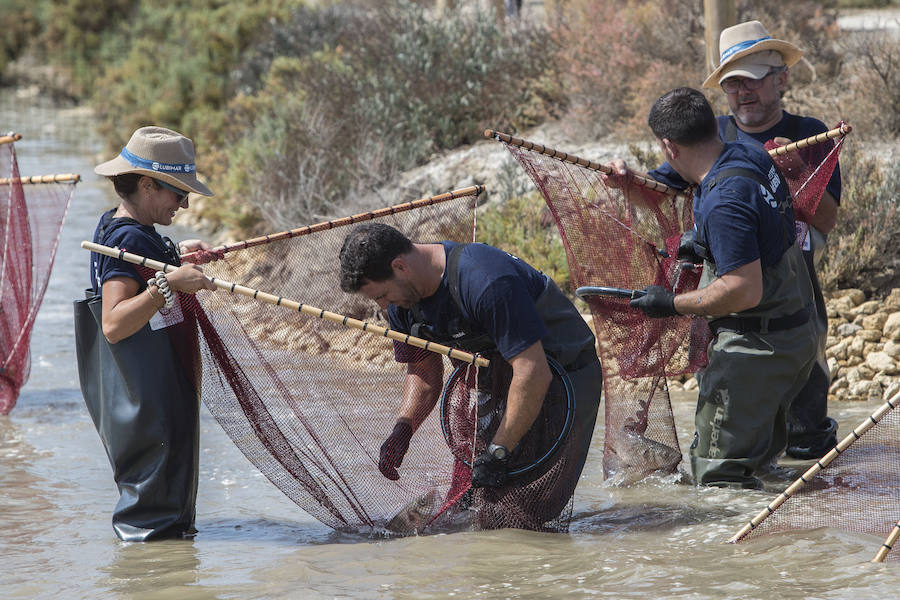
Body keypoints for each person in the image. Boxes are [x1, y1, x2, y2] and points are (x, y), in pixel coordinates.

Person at [648, 20, 841, 459]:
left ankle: (809, 472)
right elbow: (662, 186)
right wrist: (624, 180)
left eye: (753, 81)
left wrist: (797, 170)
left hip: (797, 287)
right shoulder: (711, 134)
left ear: (781, 79)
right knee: (731, 406)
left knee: (806, 399)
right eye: (732, 85)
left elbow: (827, 221)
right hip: (729, 302)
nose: (743, 94)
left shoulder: (811, 131)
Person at [338, 223, 602, 528]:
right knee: (472, 503)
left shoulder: (485, 280)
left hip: (563, 375)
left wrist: (499, 449)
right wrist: (403, 429)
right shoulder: (402, 305)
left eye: (383, 295)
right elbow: (423, 372)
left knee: (528, 511)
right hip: (497, 379)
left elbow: (533, 373)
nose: (383, 306)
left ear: (400, 266)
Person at [624, 87, 818, 489]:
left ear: (668, 146)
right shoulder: (749, 154)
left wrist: (672, 303)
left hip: (756, 351)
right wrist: (703, 243)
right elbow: (762, 229)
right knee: (760, 466)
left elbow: (744, 290)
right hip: (796, 336)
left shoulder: (723, 201)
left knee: (718, 481)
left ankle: (735, 551)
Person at [74, 126, 217, 541]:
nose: (185, 203)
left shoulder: (122, 229)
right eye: (179, 193)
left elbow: (143, 263)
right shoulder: (126, 238)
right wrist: (170, 284)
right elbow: (114, 323)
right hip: (149, 389)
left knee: (166, 503)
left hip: (153, 385)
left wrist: (175, 254)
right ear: (147, 184)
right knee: (153, 523)